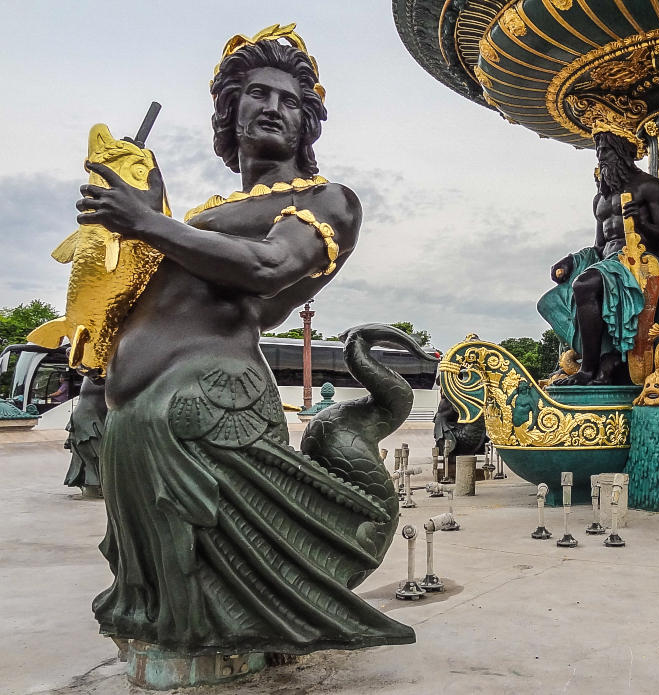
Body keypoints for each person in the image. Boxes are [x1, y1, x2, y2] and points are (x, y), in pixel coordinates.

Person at [75, 25, 413, 656]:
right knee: (167, 598)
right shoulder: (208, 213)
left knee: (214, 593)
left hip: (206, 400)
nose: (272, 108)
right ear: (230, 113)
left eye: (289, 101)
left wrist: (149, 222)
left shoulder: (327, 199)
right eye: (256, 94)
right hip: (148, 413)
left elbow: (269, 268)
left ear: (307, 124)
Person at [538, 124, 659, 385]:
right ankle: (606, 356)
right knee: (550, 301)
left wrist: (640, 222)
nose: (601, 158)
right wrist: (573, 260)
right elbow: (599, 245)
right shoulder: (599, 199)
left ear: (624, 152)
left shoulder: (649, 187)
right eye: (599, 152)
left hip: (641, 262)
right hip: (608, 264)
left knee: (585, 285)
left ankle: (588, 370)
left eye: (607, 151)